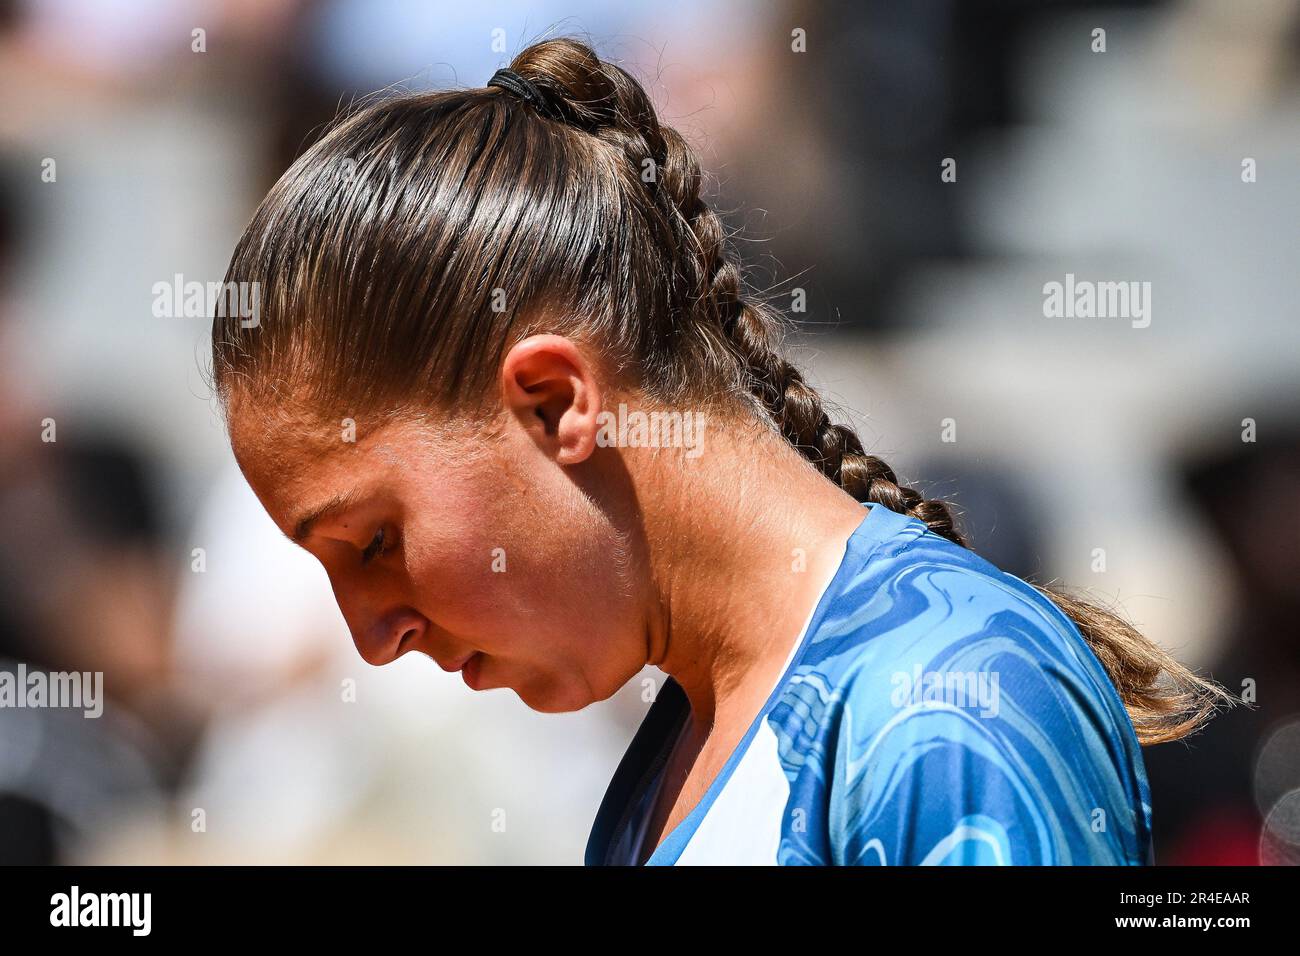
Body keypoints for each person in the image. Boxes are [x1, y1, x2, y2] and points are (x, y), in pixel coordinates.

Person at [210, 38, 1226, 865]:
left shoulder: (949, 702)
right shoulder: (679, 745)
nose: (371, 637)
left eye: (374, 539)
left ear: (556, 400)